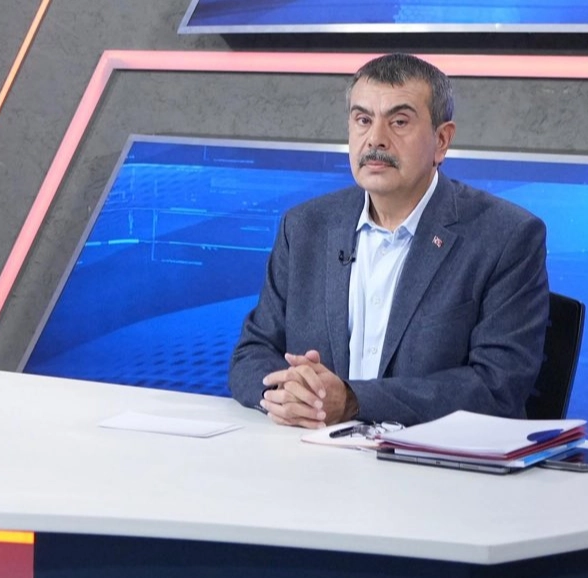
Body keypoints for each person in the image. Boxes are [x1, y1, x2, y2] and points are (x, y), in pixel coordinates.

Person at [229, 53, 548, 429]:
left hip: (432, 460)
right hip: (312, 454)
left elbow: (497, 386)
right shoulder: (304, 228)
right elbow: (253, 353)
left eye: (399, 122)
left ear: (441, 140)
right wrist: (292, 396)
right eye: (363, 120)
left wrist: (353, 401)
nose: (376, 139)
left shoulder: (507, 237)